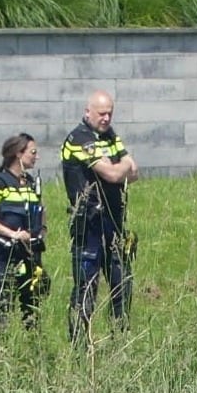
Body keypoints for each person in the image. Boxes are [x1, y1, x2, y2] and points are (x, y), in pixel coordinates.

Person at [61, 90, 138, 342]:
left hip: (114, 223)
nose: (106, 118)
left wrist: (120, 166)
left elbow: (133, 171)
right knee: (86, 289)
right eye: (101, 113)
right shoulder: (79, 138)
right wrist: (120, 166)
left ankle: (121, 338)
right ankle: (80, 345)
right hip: (89, 226)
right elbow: (114, 175)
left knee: (122, 284)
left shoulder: (110, 136)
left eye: (109, 114)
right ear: (87, 112)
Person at [0, 132, 48, 338]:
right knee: (3, 309)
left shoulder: (31, 182)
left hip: (31, 256)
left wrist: (42, 231)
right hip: (4, 257)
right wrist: (12, 234)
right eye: (33, 152)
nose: (37, 156)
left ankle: (32, 353)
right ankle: (0, 357)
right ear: (19, 154)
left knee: (32, 309)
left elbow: (41, 210)